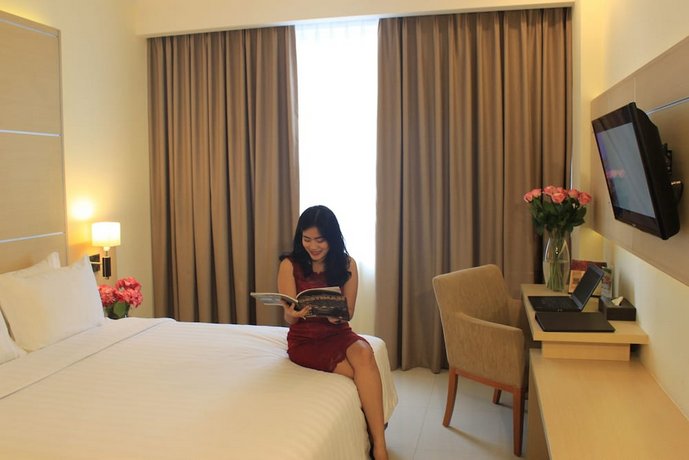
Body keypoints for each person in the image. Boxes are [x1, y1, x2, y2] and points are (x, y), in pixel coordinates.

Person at [277, 205, 388, 460]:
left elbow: (349, 313)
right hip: (305, 340)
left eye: (320, 240)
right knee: (362, 376)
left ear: (332, 238)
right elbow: (288, 318)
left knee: (364, 353)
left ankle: (379, 445)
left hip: (338, 332)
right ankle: (378, 439)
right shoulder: (289, 265)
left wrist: (335, 314)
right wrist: (292, 314)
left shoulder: (348, 264)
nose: (313, 246)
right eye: (307, 239)